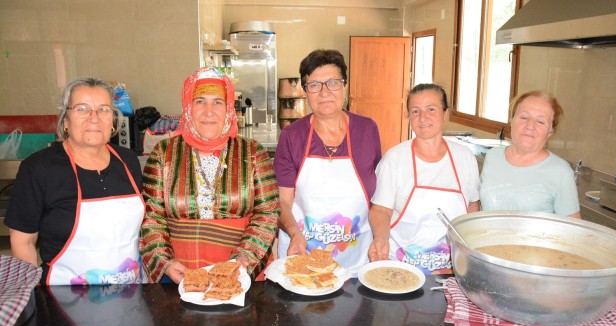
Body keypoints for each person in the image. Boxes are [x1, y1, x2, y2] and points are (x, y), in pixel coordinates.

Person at [139, 67, 279, 283]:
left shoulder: (252, 152)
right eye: (200, 101)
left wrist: (242, 261)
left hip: (241, 274)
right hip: (179, 276)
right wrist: (165, 262)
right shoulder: (163, 153)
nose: (209, 111)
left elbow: (267, 213)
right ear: (188, 107)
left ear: (229, 109)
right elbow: (152, 217)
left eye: (218, 102)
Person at [5, 78, 145, 285]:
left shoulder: (128, 161)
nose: (94, 118)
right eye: (82, 109)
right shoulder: (39, 169)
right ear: (65, 120)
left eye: (103, 109)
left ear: (113, 120)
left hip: (131, 294)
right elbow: (23, 242)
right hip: (64, 299)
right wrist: (34, 298)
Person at [273, 49, 382, 275]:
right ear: (305, 92)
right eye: (314, 85)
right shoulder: (291, 136)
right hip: (302, 255)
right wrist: (294, 234)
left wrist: (381, 237)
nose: (324, 92)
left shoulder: (367, 130)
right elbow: (283, 201)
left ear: (345, 86)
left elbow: (379, 198)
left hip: (356, 257)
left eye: (333, 82)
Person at [368, 83, 480, 275]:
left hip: (450, 270)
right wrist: (380, 238)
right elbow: (380, 210)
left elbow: (472, 207)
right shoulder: (394, 159)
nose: (423, 118)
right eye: (415, 111)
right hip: (400, 267)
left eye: (431, 109)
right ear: (409, 116)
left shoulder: (465, 157)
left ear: (445, 114)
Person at [479, 90, 580, 218]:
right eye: (524, 117)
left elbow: (572, 230)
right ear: (512, 120)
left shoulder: (560, 172)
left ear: (550, 131)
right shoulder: (493, 157)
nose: (530, 126)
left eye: (540, 121)